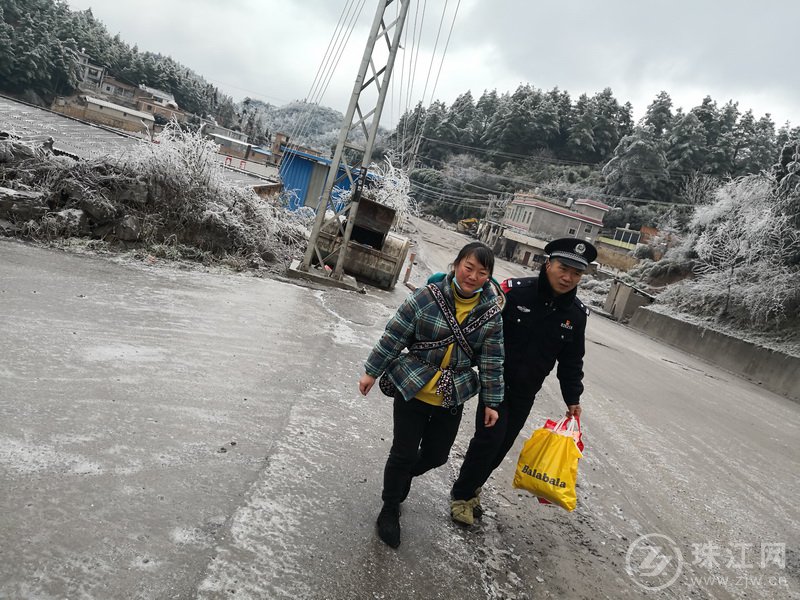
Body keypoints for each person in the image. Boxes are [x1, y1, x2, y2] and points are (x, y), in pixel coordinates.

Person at [358, 241, 505, 548]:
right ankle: (389, 507)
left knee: (437, 456)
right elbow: (395, 333)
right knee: (403, 452)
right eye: (468, 267)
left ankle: (401, 478)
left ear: (488, 277)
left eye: (482, 272)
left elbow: (493, 359)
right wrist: (372, 370)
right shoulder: (428, 297)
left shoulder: (491, 314)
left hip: (451, 396)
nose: (473, 276)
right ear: (456, 265)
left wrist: (492, 401)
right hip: (412, 388)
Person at [449, 237, 597, 525]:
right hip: (496, 383)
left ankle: (474, 487)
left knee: (502, 445)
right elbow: (481, 329)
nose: (568, 277)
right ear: (548, 264)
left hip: (526, 391)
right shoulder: (515, 293)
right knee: (488, 440)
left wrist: (573, 398)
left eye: (576, 273)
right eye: (563, 268)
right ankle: (462, 495)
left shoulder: (576, 316)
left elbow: (571, 361)